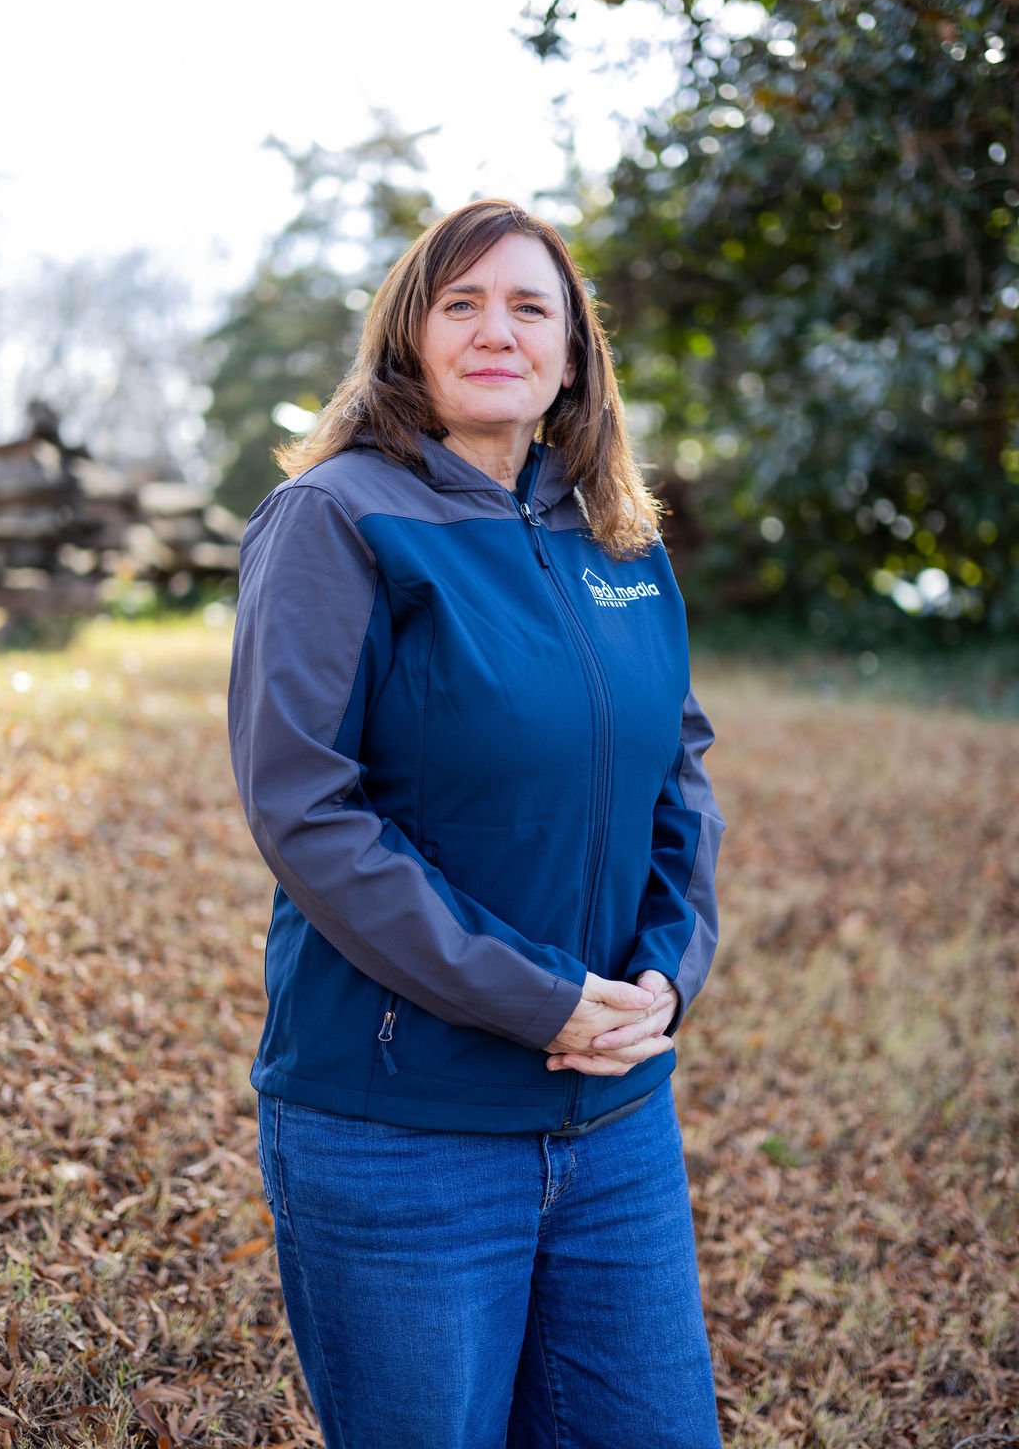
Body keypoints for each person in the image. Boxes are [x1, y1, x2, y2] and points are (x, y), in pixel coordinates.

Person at [227, 199, 726, 1449]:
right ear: (410, 340)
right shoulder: (336, 519)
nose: (495, 329)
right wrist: (534, 999)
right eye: (461, 303)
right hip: (403, 1135)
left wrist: (666, 975)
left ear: (571, 357)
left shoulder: (619, 538)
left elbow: (680, 771)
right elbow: (307, 809)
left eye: (528, 306)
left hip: (614, 1124)